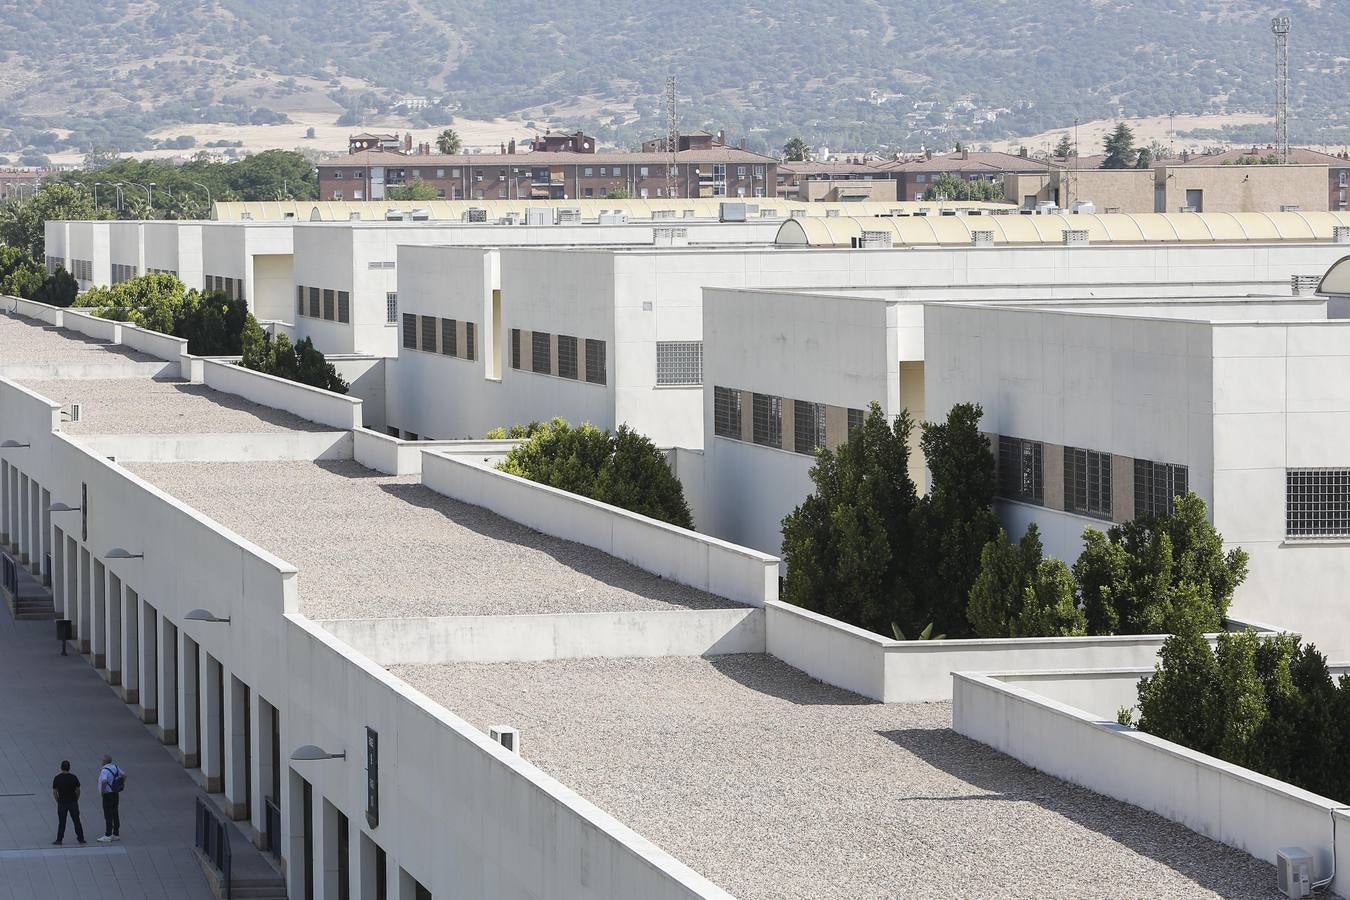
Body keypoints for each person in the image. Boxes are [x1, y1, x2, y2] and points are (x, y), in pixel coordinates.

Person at [51, 760, 85, 845]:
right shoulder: (74, 777)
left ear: (61, 768)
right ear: (69, 768)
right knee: (76, 821)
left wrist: (58, 800)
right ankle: (81, 838)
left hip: (62, 803)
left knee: (62, 822)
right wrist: (76, 799)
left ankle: (59, 839)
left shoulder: (57, 778)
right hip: (73, 802)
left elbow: (55, 791)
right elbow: (78, 790)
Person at [96, 754, 126, 842]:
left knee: (108, 814)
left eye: (102, 760)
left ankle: (108, 834)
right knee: (115, 812)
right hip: (115, 793)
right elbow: (124, 775)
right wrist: (120, 784)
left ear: (104, 761)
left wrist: (102, 791)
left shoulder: (104, 770)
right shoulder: (115, 767)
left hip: (107, 794)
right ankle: (116, 834)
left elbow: (104, 781)